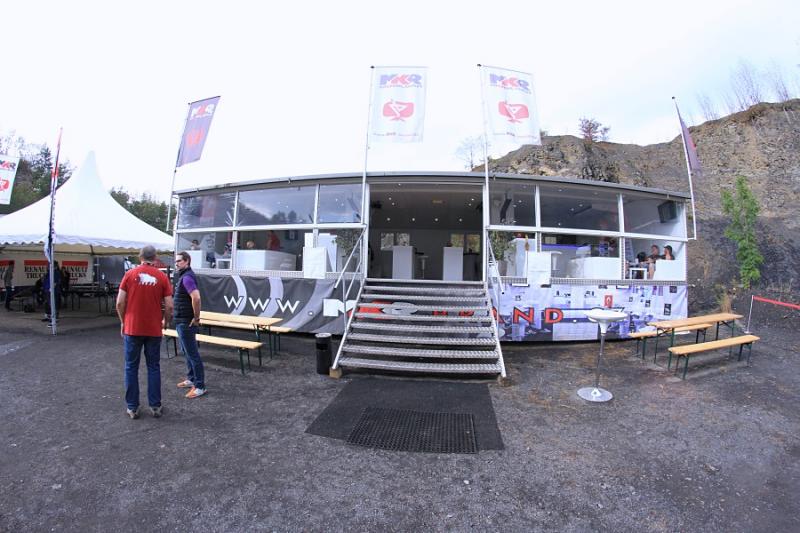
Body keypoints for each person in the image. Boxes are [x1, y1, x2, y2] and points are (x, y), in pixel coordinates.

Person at [116, 245, 173, 420]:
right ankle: (155, 406)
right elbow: (169, 306)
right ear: (155, 258)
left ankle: (132, 407)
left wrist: (123, 321)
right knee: (153, 367)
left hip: (132, 328)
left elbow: (119, 303)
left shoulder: (129, 274)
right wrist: (166, 321)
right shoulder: (162, 277)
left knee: (131, 367)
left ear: (140, 257)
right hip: (153, 329)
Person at [173, 251, 206, 399]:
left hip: (186, 321)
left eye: (179, 261)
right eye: (176, 261)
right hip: (181, 320)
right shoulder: (184, 276)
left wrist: (196, 317)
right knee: (186, 351)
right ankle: (192, 379)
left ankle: (200, 386)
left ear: (187, 261)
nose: (176, 263)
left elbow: (196, 298)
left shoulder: (187, 277)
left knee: (192, 354)